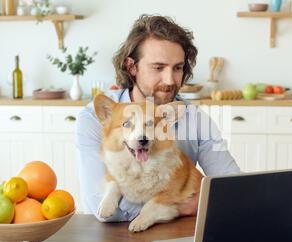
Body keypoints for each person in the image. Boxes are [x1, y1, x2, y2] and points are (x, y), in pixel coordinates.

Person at [76, 14, 240, 222]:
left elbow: (231, 186)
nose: (170, 80)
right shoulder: (94, 119)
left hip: (181, 237)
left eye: (178, 68)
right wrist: (182, 205)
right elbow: (102, 210)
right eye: (158, 67)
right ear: (131, 67)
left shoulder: (196, 119)